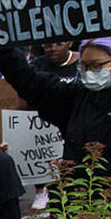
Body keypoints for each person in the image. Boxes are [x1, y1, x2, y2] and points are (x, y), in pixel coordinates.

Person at [0, 6, 111, 197]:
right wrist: (3, 48)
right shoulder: (75, 96)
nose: (90, 72)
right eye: (84, 66)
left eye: (97, 65)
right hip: (79, 207)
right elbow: (32, 84)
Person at [27, 41, 80, 210]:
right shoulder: (36, 66)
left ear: (70, 43)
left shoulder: (81, 62)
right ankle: (41, 189)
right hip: (42, 129)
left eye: (59, 44)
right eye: (48, 45)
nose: (53, 49)